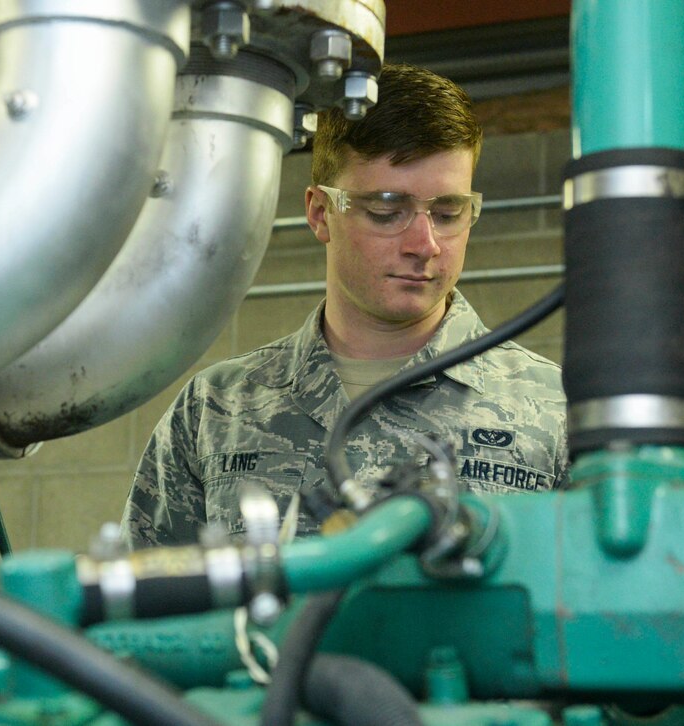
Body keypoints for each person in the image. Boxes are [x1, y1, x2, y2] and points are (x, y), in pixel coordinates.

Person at [122, 63, 568, 548]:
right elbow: (150, 608)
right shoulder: (218, 411)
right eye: (386, 211)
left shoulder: (557, 410)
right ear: (320, 213)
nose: (425, 243)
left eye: (447, 213)